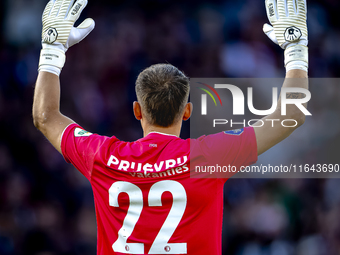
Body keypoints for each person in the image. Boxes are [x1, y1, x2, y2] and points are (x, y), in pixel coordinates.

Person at [32, 0, 309, 254]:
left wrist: (52, 49)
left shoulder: (104, 157)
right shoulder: (209, 157)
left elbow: (45, 116)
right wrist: (295, 51)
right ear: (187, 112)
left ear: (137, 111)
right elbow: (292, 114)